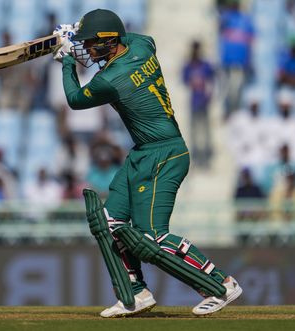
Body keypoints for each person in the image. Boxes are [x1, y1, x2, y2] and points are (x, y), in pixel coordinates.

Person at [52, 9, 242, 317]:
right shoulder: (141, 47)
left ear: (110, 42)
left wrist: (67, 62)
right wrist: (82, 31)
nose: (86, 49)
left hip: (164, 155)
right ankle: (136, 294)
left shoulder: (112, 79)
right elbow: (146, 38)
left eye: (90, 43)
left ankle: (221, 284)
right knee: (109, 222)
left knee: (150, 237)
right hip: (145, 151)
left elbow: (75, 99)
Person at [182, 41, 215, 169]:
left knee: (205, 131)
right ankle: (196, 158)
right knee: (194, 131)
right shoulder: (188, 66)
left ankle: (206, 158)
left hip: (204, 102)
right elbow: (185, 81)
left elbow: (212, 80)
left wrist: (209, 93)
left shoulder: (205, 65)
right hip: (194, 102)